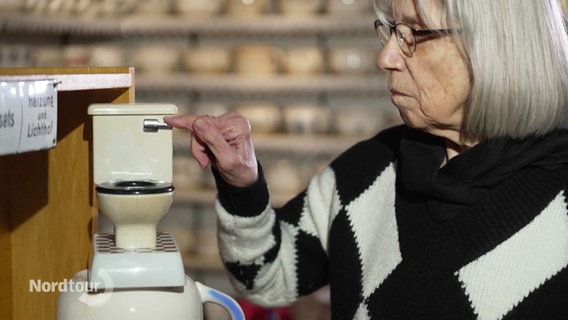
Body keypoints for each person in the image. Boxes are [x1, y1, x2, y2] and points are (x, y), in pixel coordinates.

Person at [165, 0, 568, 318]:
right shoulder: (370, 169)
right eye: (392, 30)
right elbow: (265, 277)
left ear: (499, 45)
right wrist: (242, 183)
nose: (386, 57)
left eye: (413, 33)